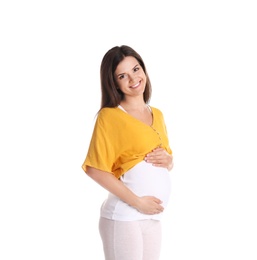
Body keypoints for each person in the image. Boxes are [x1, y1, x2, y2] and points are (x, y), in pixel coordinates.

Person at [82, 45, 174, 260]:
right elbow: (95, 169)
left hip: (152, 217)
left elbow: (167, 161)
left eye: (135, 69)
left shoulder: (157, 114)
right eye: (122, 75)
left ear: (143, 69)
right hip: (124, 216)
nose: (133, 78)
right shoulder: (110, 116)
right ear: (113, 82)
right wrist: (137, 202)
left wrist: (169, 160)